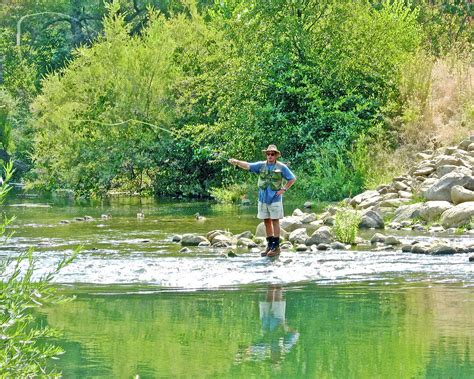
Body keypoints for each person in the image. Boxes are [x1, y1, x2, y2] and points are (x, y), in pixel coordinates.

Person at [228, 144, 296, 257]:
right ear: (266, 155)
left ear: (276, 155)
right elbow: (248, 165)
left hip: (275, 199)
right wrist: (237, 162)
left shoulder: (281, 167)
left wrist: (283, 189)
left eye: (272, 154)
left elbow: (292, 178)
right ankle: (269, 245)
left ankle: (276, 247)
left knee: (275, 221)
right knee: (266, 221)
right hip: (262, 199)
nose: (270, 156)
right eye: (268, 154)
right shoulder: (261, 165)